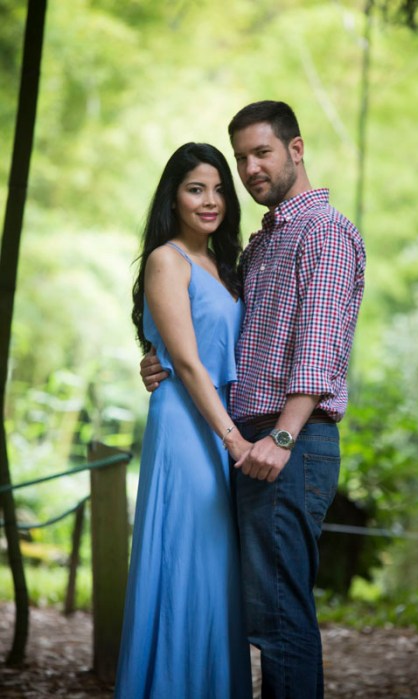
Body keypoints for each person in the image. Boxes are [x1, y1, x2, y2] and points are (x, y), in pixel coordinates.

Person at [140, 101, 366, 699]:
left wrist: (282, 437)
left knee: (280, 618)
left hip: (284, 442)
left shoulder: (323, 232)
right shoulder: (259, 246)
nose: (249, 169)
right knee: (264, 614)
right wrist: (159, 361)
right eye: (241, 158)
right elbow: (212, 340)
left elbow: (319, 347)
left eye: (261, 153)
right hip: (243, 442)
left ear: (296, 149)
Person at [115, 142, 253, 698]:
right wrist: (235, 442)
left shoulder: (227, 266)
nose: (210, 200)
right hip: (189, 427)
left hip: (221, 422)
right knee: (187, 562)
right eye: (196, 189)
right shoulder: (166, 260)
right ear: (172, 197)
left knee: (218, 572)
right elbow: (189, 363)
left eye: (219, 189)